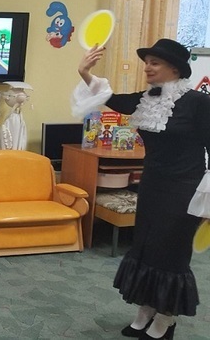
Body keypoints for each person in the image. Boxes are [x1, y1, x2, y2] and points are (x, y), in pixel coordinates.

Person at [75, 39, 210, 339]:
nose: (147, 68)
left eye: (154, 63)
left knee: (171, 251)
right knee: (146, 247)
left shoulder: (198, 103)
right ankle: (146, 310)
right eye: (146, 62)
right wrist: (84, 72)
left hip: (184, 189)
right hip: (152, 185)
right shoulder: (145, 99)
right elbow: (110, 97)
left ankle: (166, 318)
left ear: (174, 68)